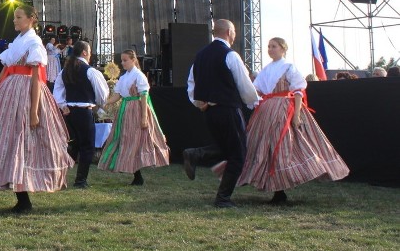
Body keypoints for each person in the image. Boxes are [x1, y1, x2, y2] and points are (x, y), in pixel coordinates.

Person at [0, 5, 74, 214]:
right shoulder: (17, 42)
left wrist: (34, 111)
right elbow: (5, 73)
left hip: (25, 95)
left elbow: (36, 80)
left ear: (31, 19)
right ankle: (20, 194)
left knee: (24, 143)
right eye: (14, 17)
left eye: (18, 17)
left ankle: (25, 196)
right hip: (10, 93)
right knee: (11, 142)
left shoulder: (34, 43)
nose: (14, 21)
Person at [237, 37, 350, 204]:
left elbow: (298, 91)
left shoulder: (289, 67)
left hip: (284, 109)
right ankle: (277, 190)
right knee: (266, 147)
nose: (270, 49)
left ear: (283, 49)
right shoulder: (266, 70)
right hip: (267, 110)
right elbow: (256, 90)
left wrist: (296, 115)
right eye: (269, 46)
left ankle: (283, 187)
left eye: (273, 46)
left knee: (284, 146)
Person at [182, 19, 259, 208]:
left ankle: (196, 154)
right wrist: (254, 102)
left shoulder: (200, 56)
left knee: (226, 148)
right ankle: (222, 198)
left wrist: (199, 103)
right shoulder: (230, 55)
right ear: (228, 32)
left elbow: (191, 83)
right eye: (234, 31)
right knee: (238, 154)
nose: (235, 35)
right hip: (228, 109)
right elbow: (244, 83)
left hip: (209, 112)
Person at [98, 49, 170, 186]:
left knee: (137, 140)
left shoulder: (139, 76)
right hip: (125, 110)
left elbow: (144, 96)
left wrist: (144, 117)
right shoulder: (124, 77)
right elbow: (118, 95)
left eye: (125, 60)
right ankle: (136, 174)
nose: (123, 63)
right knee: (127, 139)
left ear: (133, 60)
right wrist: (106, 102)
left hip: (136, 109)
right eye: (122, 60)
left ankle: (139, 172)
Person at [52, 40, 108, 188]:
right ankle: (80, 180)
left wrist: (63, 105)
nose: (90, 54)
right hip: (83, 111)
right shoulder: (90, 71)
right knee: (87, 146)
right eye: (89, 51)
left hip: (69, 112)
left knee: (73, 145)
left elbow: (57, 90)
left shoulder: (65, 70)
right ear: (84, 52)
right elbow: (103, 94)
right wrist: (98, 105)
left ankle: (60, 177)